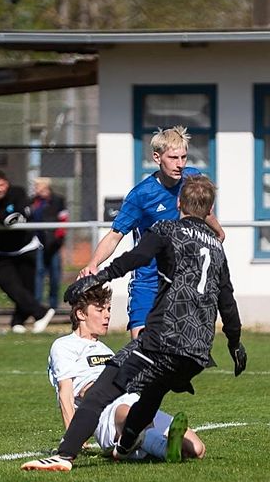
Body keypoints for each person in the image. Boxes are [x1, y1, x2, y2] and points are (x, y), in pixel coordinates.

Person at [21, 175, 245, 472]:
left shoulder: (166, 230)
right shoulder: (217, 251)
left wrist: (96, 277)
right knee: (152, 391)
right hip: (198, 352)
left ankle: (64, 456)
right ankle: (125, 446)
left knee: (103, 389)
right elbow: (227, 302)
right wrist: (235, 343)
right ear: (209, 209)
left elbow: (135, 257)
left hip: (164, 337)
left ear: (178, 202)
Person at [32, 284, 205, 466]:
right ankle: (163, 448)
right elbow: (65, 393)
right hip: (105, 412)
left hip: (134, 401)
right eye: (100, 310)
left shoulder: (106, 350)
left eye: (108, 309)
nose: (107, 315)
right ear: (80, 314)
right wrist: (74, 439)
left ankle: (155, 446)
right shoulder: (64, 345)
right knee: (128, 414)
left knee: (197, 449)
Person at [79, 126, 225, 339]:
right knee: (141, 348)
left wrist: (219, 234)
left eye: (184, 157)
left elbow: (203, 211)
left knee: (179, 354)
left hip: (181, 282)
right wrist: (93, 263)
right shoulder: (141, 195)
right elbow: (114, 235)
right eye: (173, 157)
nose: (180, 164)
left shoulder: (192, 179)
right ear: (157, 157)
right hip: (148, 283)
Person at [0, 170, 55, 334]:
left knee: (25, 288)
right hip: (3, 251)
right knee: (8, 284)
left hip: (26, 248)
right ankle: (42, 312)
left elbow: (18, 215)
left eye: (1, 185)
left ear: (6, 184)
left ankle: (17, 322)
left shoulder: (18, 193)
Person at [30, 177, 69, 310]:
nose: (36, 189)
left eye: (38, 186)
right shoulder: (33, 202)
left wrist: (58, 238)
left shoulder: (57, 200)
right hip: (38, 242)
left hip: (53, 242)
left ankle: (53, 304)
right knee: (38, 272)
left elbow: (63, 219)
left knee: (54, 273)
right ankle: (37, 304)